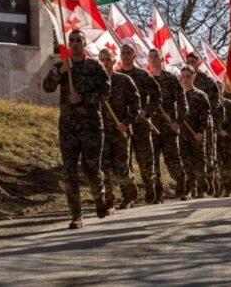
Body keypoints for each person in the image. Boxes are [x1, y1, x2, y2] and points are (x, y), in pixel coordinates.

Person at [42, 30, 111, 229]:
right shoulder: (60, 66)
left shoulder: (95, 66)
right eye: (71, 41)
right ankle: (76, 215)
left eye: (78, 40)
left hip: (91, 127)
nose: (74, 43)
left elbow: (105, 92)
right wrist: (61, 72)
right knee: (69, 172)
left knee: (91, 169)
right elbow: (47, 87)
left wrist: (83, 98)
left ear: (84, 43)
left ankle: (99, 196)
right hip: (68, 128)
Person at [98, 49, 140, 213]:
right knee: (104, 168)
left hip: (120, 131)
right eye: (101, 60)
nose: (105, 63)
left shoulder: (124, 80)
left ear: (114, 61)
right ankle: (109, 202)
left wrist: (126, 122)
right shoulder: (95, 83)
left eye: (108, 59)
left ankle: (130, 183)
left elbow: (136, 106)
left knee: (121, 168)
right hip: (101, 132)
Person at [119, 44, 162, 205]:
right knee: (123, 160)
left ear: (134, 55)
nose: (126, 55)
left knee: (145, 159)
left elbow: (157, 96)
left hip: (141, 123)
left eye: (128, 53)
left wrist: (147, 111)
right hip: (123, 124)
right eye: (123, 53)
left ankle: (149, 185)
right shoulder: (116, 76)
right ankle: (128, 195)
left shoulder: (143, 75)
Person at [146, 47, 188, 201]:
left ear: (162, 59)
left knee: (172, 160)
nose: (153, 59)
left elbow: (183, 102)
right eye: (151, 56)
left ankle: (182, 182)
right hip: (151, 125)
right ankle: (158, 192)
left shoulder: (170, 79)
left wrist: (178, 122)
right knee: (153, 160)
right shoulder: (146, 79)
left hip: (168, 125)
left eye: (156, 56)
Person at [186, 52, 223, 196]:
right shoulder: (184, 79)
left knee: (207, 155)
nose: (190, 63)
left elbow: (216, 102)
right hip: (188, 124)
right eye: (188, 61)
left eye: (193, 61)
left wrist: (205, 114)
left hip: (205, 124)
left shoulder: (208, 81)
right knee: (190, 156)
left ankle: (211, 178)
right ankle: (194, 188)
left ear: (199, 63)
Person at [179, 65, 210, 198]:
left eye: (188, 77)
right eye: (183, 77)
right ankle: (189, 190)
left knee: (199, 164)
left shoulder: (200, 95)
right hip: (181, 135)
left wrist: (201, 132)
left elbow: (205, 116)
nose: (185, 80)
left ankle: (201, 182)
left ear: (193, 77)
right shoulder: (178, 95)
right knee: (185, 163)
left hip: (196, 134)